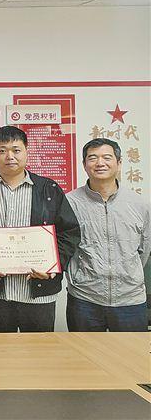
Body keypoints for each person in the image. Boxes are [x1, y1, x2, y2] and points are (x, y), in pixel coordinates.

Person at [0, 126, 80, 333]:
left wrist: (54, 265)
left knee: (39, 350)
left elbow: (69, 232)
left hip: (39, 292)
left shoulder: (49, 189)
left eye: (16, 150)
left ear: (27, 151)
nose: (9, 156)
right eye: (2, 150)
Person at [65, 138, 150, 332]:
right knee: (84, 352)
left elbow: (144, 249)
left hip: (130, 301)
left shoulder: (140, 204)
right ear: (84, 165)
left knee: (131, 352)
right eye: (92, 158)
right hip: (84, 299)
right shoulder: (69, 202)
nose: (100, 163)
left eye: (107, 157)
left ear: (119, 163)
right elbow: (66, 246)